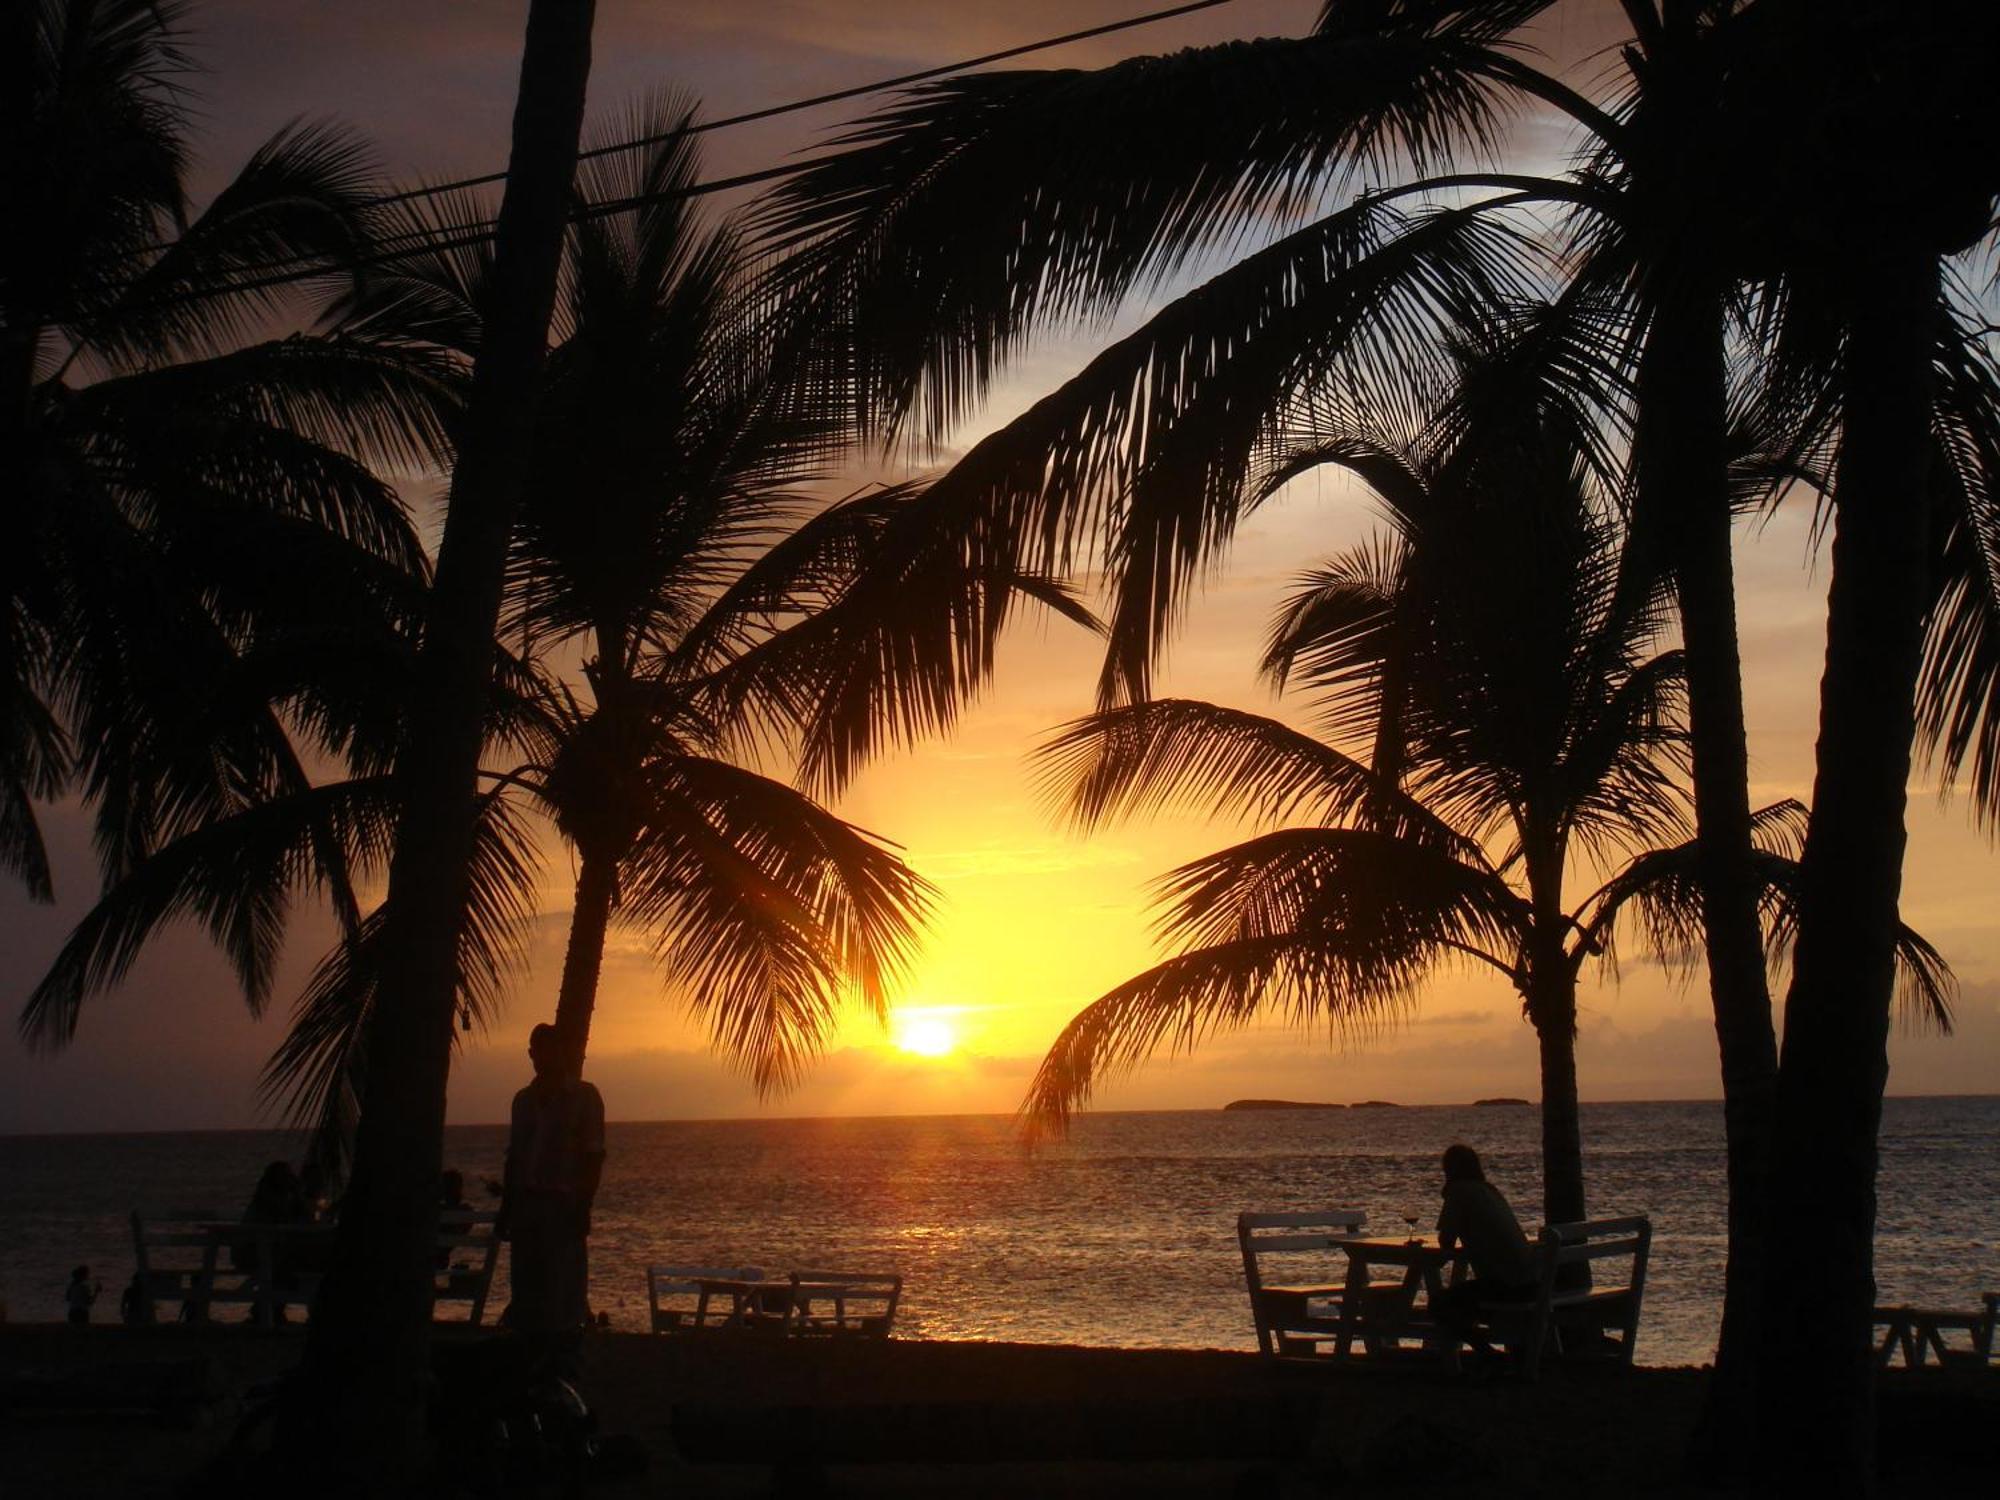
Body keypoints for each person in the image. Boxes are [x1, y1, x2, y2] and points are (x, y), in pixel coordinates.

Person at [498, 1024, 605, 1358]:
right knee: (527, 1288)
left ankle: (562, 1356)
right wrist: (507, 1208)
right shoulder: (523, 1101)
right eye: (536, 1050)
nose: (542, 1057)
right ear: (531, 1054)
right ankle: (530, 1355)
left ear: (562, 1052)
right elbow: (515, 1156)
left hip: (563, 1203)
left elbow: (593, 1154)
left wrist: (583, 1205)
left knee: (564, 1289)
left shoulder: (585, 1097)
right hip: (527, 1205)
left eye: (550, 1049)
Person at [1431, 1143, 1538, 1362]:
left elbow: (1446, 1242)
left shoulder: (1459, 1192)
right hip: (1532, 1284)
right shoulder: (1489, 1190)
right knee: (1461, 1299)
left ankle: (1486, 1354)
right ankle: (1502, 1353)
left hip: (1506, 1288)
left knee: (1439, 1305)